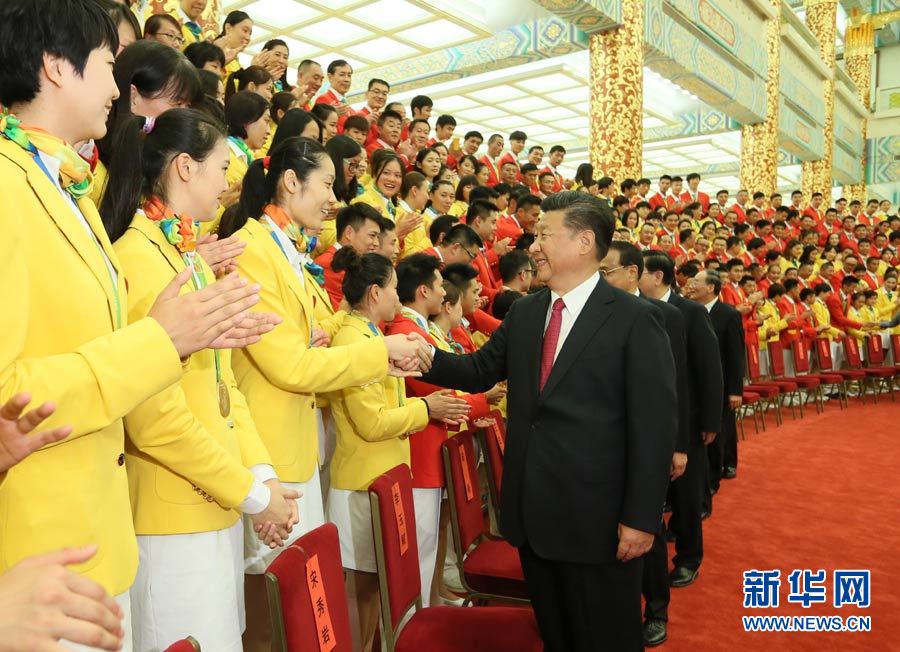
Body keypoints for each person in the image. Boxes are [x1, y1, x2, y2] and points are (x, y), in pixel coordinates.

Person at [0, 2, 273, 648]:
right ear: (54, 68)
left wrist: (165, 332)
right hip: (42, 564)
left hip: (95, 536)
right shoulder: (9, 187)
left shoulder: (69, 190)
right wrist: (159, 340)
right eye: (104, 66)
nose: (116, 91)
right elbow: (9, 387)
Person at [422, 192, 678, 651]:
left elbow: (654, 427)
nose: (533, 245)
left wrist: (641, 518)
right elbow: (478, 371)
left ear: (583, 241)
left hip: (600, 522)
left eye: (543, 234)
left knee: (607, 637)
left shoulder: (636, 320)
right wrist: (417, 356)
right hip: (534, 516)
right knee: (556, 636)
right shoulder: (526, 311)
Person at [216, 136, 432, 651]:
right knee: (274, 604)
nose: (333, 199)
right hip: (271, 451)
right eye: (328, 184)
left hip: (298, 446)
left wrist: (329, 327)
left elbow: (305, 334)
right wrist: (382, 352)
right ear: (291, 182)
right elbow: (288, 364)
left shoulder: (286, 249)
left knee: (297, 605)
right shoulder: (254, 250)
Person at [102, 108, 300, 651]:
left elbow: (225, 387)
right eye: (221, 167)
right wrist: (253, 495)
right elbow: (155, 420)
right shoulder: (140, 259)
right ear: (185, 168)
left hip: (212, 502)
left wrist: (262, 472)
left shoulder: (185, 254)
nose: (229, 183)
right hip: (172, 515)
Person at [327, 249, 468, 652]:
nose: (396, 296)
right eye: (391, 288)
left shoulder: (373, 336)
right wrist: (427, 407)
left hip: (383, 477)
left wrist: (421, 407)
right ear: (374, 293)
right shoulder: (353, 339)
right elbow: (371, 423)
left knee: (377, 586)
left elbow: (387, 409)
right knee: (364, 589)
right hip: (361, 482)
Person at [600, 242, 689, 648]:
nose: (602, 279)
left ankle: (656, 610)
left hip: (648, 447)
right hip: (605, 450)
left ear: (633, 273)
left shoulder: (665, 316)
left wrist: (677, 445)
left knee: (647, 531)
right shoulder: (594, 313)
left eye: (608, 272)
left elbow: (676, 390)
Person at [688, 270, 745, 512]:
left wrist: (735, 390)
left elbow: (735, 354)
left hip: (722, 384)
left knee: (719, 431)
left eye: (697, 282)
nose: (691, 285)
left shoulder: (728, 314)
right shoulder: (690, 310)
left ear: (710, 288)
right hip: (699, 384)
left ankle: (714, 477)